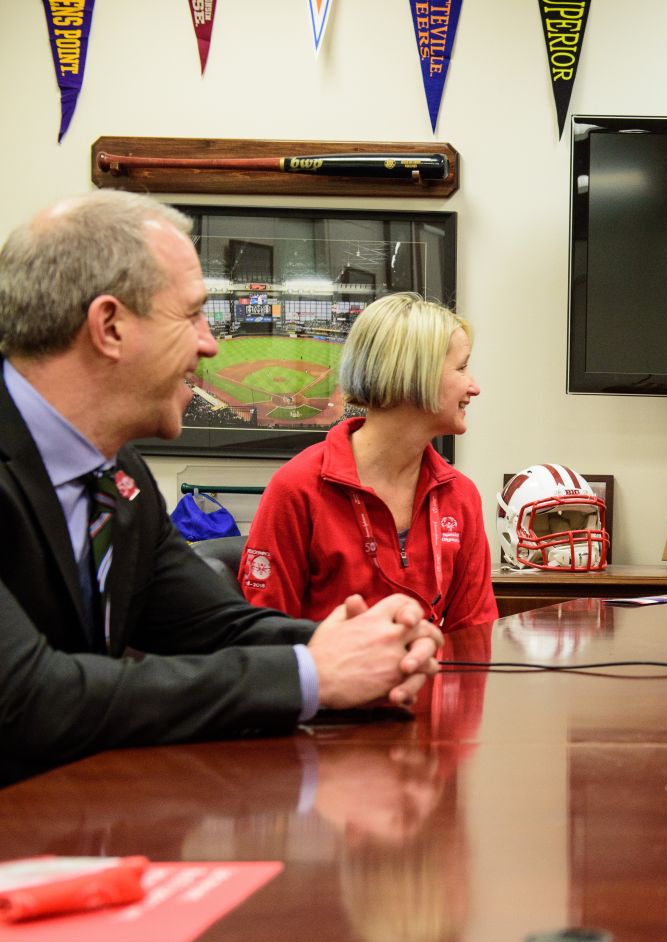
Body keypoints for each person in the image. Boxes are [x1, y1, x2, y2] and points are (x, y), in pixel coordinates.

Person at [0, 190, 440, 786]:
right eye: (191, 315)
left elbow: (218, 629)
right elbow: (29, 699)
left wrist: (366, 650)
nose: (209, 342)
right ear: (109, 326)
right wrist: (312, 674)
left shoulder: (118, 472)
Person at [240, 292, 497, 632]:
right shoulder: (298, 488)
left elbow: (474, 637)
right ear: (412, 373)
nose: (474, 387)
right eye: (462, 367)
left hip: (428, 682)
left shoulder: (460, 496)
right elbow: (262, 639)